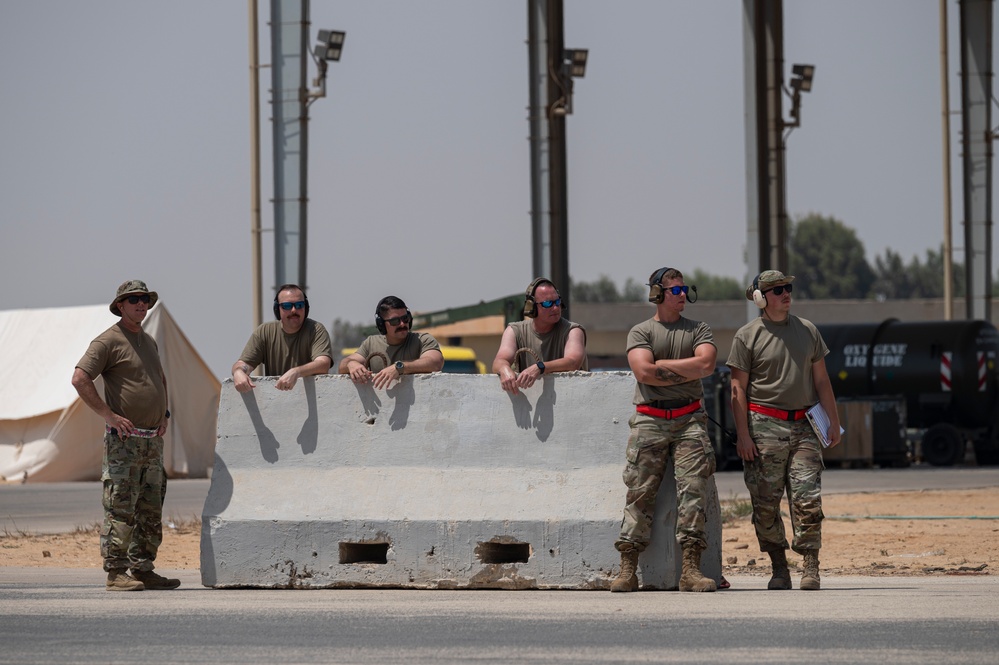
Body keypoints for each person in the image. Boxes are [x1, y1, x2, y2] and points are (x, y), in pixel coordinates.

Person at [727, 270, 842, 591]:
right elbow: (737, 389)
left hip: (805, 424)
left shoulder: (808, 331)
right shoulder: (746, 337)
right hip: (764, 425)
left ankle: (810, 565)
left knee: (808, 499)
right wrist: (744, 436)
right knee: (765, 503)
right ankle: (779, 566)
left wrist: (833, 421)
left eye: (788, 288)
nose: (786, 294)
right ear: (761, 299)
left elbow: (822, 380)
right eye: (777, 290)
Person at [611, 267, 718, 593]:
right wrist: (687, 368)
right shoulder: (641, 332)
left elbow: (707, 365)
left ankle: (690, 569)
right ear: (657, 294)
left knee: (693, 492)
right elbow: (643, 372)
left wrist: (665, 366)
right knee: (639, 494)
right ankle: (628, 568)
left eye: (684, 289)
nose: (683, 295)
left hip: (689, 420)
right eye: (675, 290)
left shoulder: (699, 329)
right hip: (650, 420)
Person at [71, 280, 179, 591]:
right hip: (124, 442)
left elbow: (159, 378)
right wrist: (109, 415)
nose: (141, 304)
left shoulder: (148, 340)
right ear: (120, 305)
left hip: (151, 441)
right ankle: (116, 572)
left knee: (149, 507)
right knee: (120, 505)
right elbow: (80, 378)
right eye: (133, 299)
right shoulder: (108, 341)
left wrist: (165, 414)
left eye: (145, 299)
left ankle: (143, 568)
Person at [492, 278, 588, 395]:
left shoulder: (572, 331)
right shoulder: (515, 331)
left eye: (557, 302)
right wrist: (504, 370)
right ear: (531, 307)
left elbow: (573, 362)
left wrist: (540, 367)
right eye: (547, 303)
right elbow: (500, 361)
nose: (556, 308)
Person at [231, 284, 333, 393]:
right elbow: (244, 364)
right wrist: (238, 372)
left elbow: (323, 364)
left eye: (299, 305)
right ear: (277, 309)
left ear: (306, 308)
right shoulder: (265, 331)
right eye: (287, 306)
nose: (294, 310)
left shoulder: (316, 330)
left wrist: (296, 372)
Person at [339, 295, 444, 389]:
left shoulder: (423, 340)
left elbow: (435, 363)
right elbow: (342, 366)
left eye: (405, 318)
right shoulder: (371, 343)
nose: (402, 324)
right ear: (381, 324)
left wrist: (399, 367)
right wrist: (351, 364)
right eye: (395, 321)